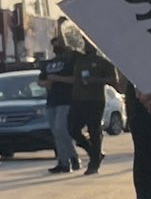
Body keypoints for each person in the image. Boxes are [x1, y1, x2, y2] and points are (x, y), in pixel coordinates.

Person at [59, 24, 114, 175]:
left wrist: (96, 80)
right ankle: (93, 152)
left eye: (89, 41)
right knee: (72, 129)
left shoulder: (102, 61)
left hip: (95, 100)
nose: (86, 43)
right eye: (84, 40)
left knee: (94, 131)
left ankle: (94, 163)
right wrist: (59, 26)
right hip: (78, 100)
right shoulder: (78, 58)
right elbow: (65, 47)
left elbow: (113, 79)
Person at [39, 26, 79, 174]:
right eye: (53, 44)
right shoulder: (50, 63)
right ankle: (64, 162)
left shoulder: (70, 60)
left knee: (61, 129)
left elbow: (75, 79)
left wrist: (59, 78)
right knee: (56, 132)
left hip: (66, 100)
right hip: (51, 101)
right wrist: (47, 83)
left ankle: (72, 157)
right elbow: (40, 80)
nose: (56, 46)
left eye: (58, 43)